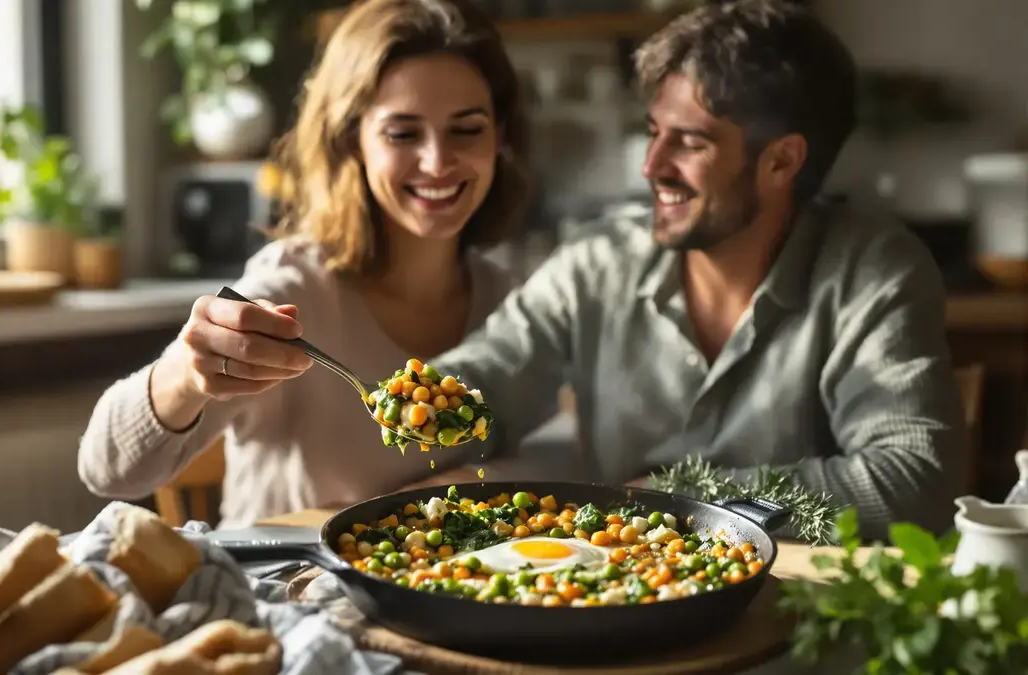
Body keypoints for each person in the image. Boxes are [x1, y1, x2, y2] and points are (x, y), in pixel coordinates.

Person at [197, 0, 967, 539]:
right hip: (625, 611)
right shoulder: (599, 263)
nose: (651, 165)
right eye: (653, 132)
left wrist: (680, 500)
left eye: (690, 142)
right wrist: (412, 398)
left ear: (782, 160)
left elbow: (913, 481)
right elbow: (492, 382)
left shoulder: (874, 268)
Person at [77, 0, 532, 527]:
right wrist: (184, 372)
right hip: (281, 596)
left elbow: (552, 449)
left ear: (500, 136)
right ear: (351, 140)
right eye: (403, 133)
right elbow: (105, 471)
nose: (437, 161)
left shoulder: (509, 299)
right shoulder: (291, 289)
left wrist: (439, 490)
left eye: (467, 129)